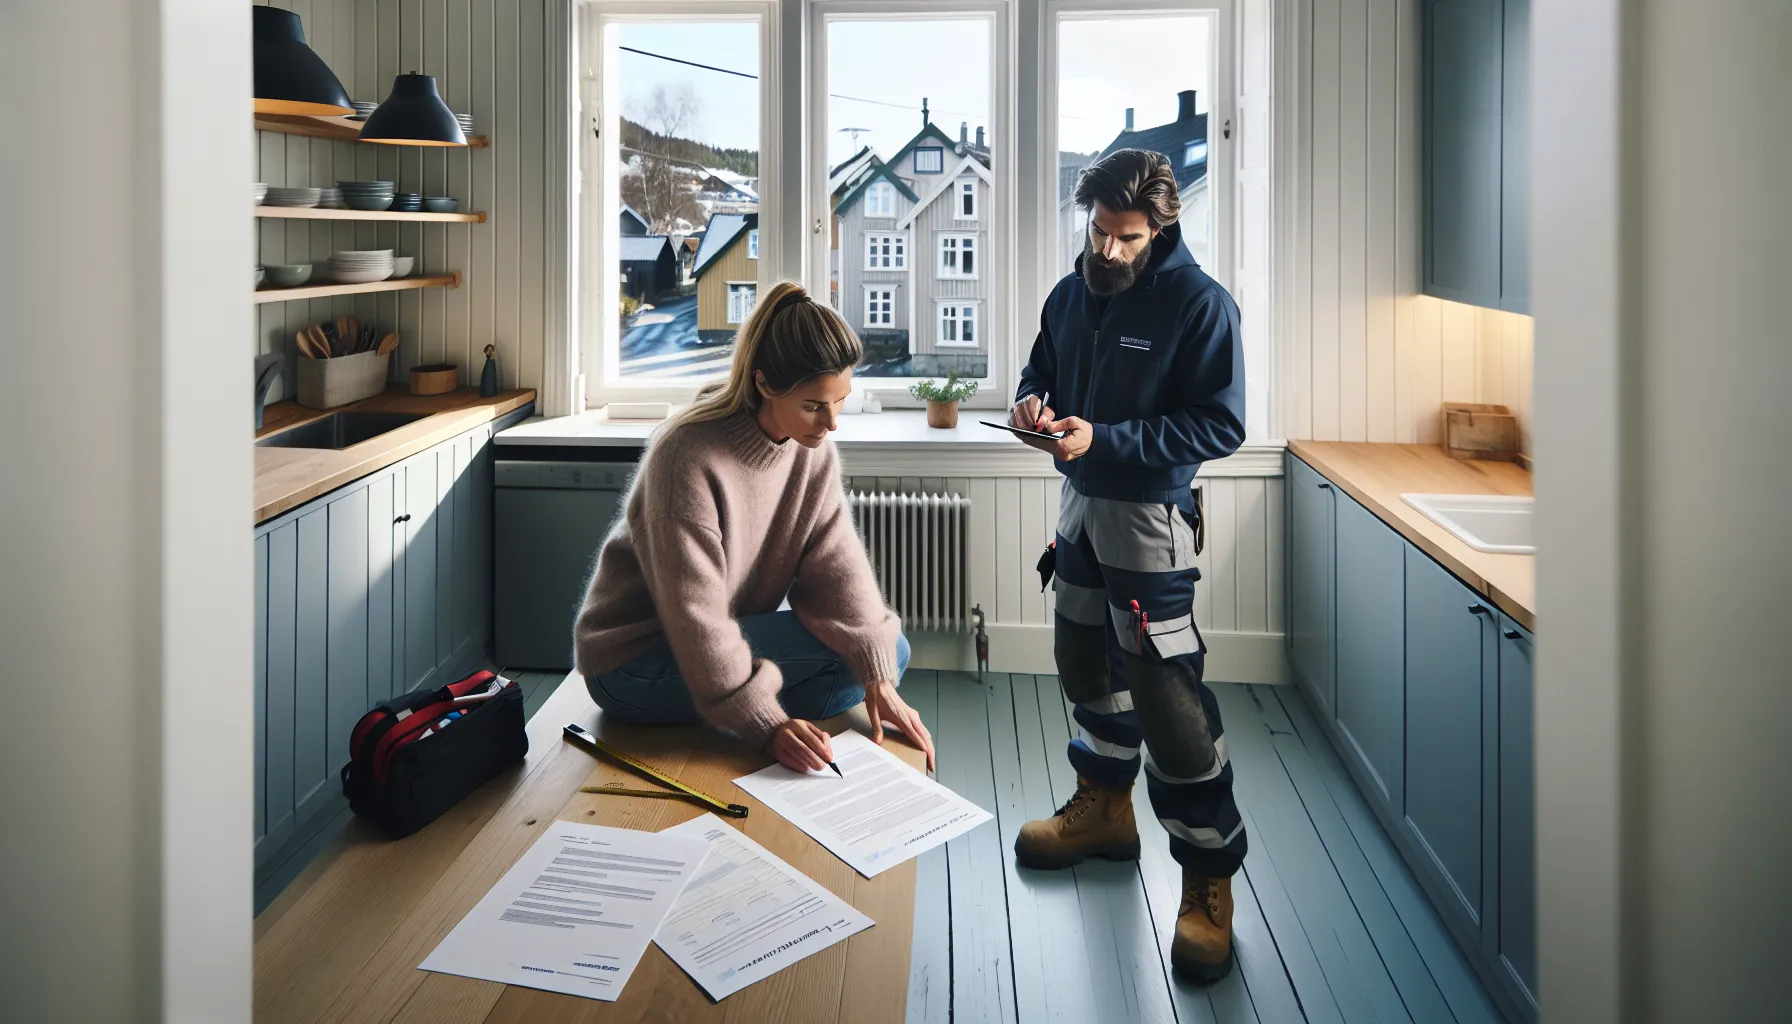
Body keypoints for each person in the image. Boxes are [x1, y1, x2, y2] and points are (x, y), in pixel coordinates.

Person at [1009, 149, 1248, 982]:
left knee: (1166, 696)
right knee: (1081, 659)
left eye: (1127, 238)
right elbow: (1044, 367)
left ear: (1162, 228)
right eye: (1100, 232)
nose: (1108, 251)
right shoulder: (1072, 292)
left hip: (1150, 520)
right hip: (1079, 509)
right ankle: (1107, 810)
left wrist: (1104, 439)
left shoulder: (1201, 306)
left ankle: (1207, 877)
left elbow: (1219, 426)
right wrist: (1030, 404)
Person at [573, 280, 936, 775]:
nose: (831, 423)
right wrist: (766, 725)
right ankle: (739, 703)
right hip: (636, 662)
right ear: (765, 384)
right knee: (845, 666)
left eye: (841, 399)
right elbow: (694, 615)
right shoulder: (686, 456)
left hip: (711, 640)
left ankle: (736, 699)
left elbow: (837, 564)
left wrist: (877, 678)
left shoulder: (811, 453)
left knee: (886, 651)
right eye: (813, 405)